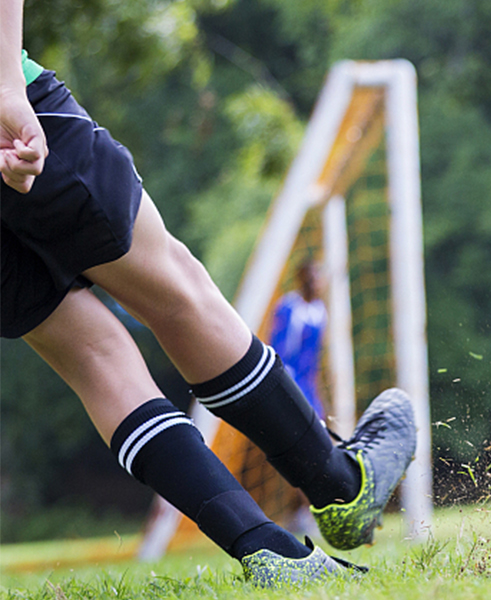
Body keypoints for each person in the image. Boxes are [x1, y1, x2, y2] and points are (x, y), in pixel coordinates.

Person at [1, 13, 414, 586]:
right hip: (11, 111)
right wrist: (5, 87)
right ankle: (341, 485)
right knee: (177, 290)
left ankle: (268, 550)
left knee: (93, 359)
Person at [271, 262, 328, 420]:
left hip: (307, 380)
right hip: (288, 375)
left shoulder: (319, 310)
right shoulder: (288, 307)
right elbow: (278, 344)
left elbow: (314, 354)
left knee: (317, 419)